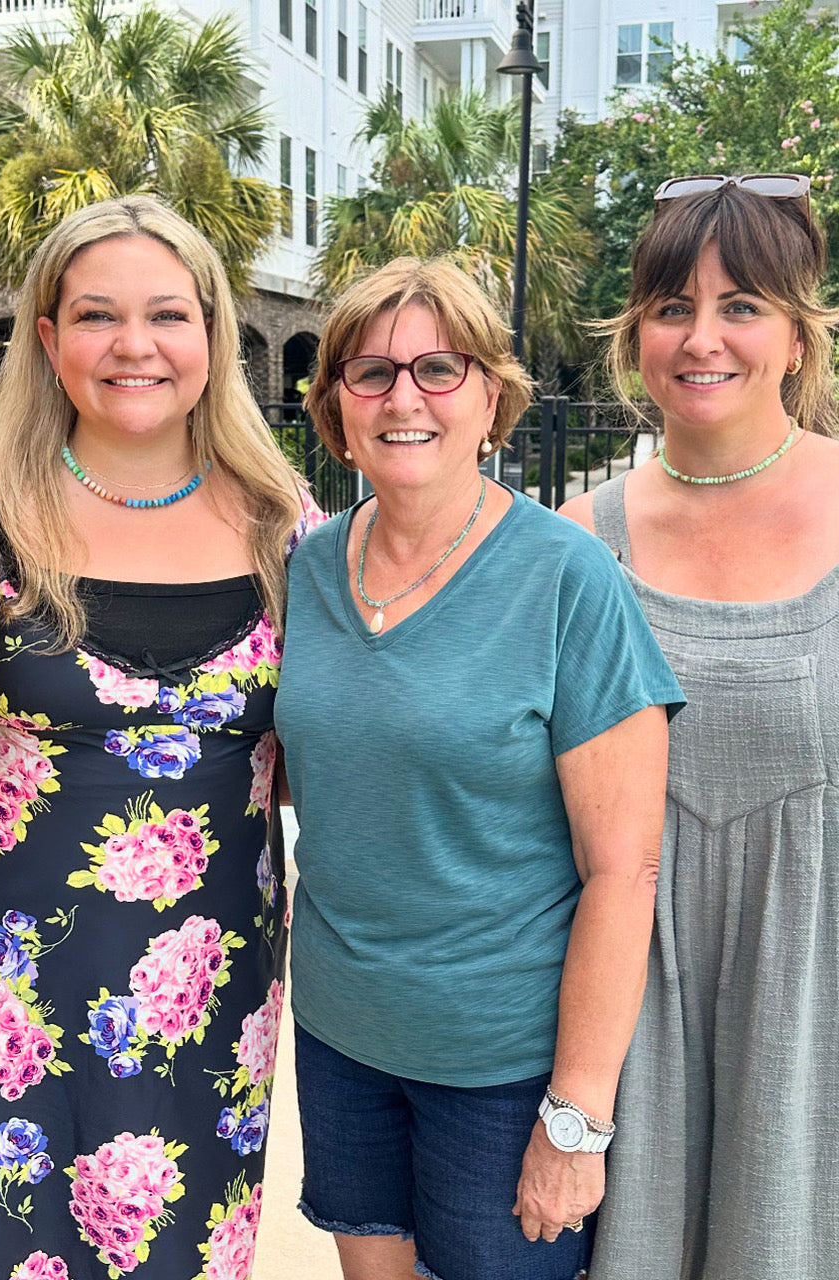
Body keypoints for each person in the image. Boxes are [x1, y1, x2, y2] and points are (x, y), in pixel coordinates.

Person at [0, 194, 322, 1280]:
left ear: (211, 336)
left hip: (213, 984)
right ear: (48, 338)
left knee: (180, 1242)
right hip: (2, 988)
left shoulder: (282, 521)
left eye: (168, 314)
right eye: (97, 316)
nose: (135, 345)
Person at [274, 256, 683, 1280]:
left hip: (500, 1067)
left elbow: (622, 868)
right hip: (339, 1029)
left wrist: (576, 1118)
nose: (401, 396)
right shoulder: (308, 567)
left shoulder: (565, 578)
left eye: (436, 368)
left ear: (490, 394)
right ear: (333, 406)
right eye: (367, 372)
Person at [560, 175, 839, 1280]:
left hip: (810, 1006)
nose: (701, 336)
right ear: (633, 334)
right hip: (624, 1012)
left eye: (740, 305)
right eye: (671, 305)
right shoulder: (577, 540)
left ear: (793, 331)